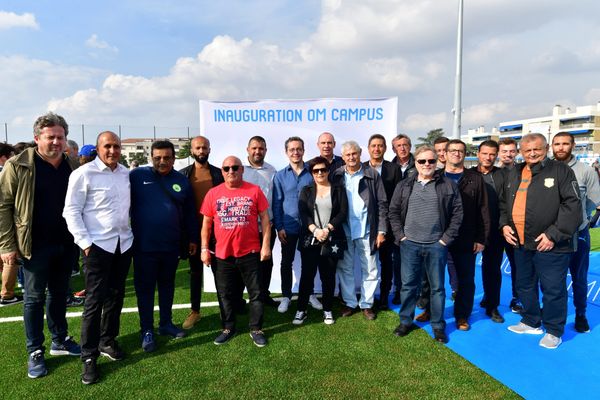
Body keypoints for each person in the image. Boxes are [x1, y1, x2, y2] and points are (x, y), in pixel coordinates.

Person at [0, 112, 81, 379]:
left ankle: (60, 339)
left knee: (59, 295)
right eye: (51, 137)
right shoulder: (18, 164)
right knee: (33, 299)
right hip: (33, 245)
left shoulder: (71, 163)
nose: (56, 142)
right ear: (37, 138)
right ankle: (35, 350)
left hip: (66, 244)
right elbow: (3, 206)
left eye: (61, 137)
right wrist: (7, 245)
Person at [63, 131, 133, 384]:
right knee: (94, 301)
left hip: (123, 245)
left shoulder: (126, 173)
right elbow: (71, 211)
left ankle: (107, 340)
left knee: (116, 296)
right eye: (107, 146)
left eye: (116, 146)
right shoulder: (82, 174)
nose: (112, 151)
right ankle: (88, 356)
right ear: (98, 148)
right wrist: (85, 243)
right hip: (97, 247)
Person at [500, 133, 581, 349]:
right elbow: (503, 203)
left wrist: (554, 234)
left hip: (551, 244)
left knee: (553, 288)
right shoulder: (514, 172)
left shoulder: (560, 170)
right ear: (521, 152)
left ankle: (554, 330)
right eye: (527, 150)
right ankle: (531, 320)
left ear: (546, 149)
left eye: (537, 149)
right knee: (524, 284)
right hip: (520, 242)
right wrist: (504, 225)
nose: (532, 153)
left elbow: (572, 205)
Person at [389, 145, 463, 343]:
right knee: (408, 286)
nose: (427, 164)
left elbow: (457, 214)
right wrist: (401, 237)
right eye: (422, 161)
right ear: (416, 163)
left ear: (437, 162)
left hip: (436, 245)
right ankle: (405, 321)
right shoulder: (404, 185)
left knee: (438, 288)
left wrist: (444, 240)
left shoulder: (448, 185)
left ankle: (438, 326)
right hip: (409, 244)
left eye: (431, 161)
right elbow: (393, 212)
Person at [130, 140, 198, 352]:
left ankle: (166, 324)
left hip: (171, 246)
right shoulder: (136, 176)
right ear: (151, 157)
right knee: (145, 290)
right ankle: (147, 330)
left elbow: (189, 213)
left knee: (167, 286)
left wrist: (192, 239)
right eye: (158, 157)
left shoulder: (181, 180)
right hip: (144, 246)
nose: (162, 161)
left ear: (174, 158)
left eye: (167, 157)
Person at [200, 156, 271, 347]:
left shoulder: (254, 191)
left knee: (256, 293)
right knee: (225, 294)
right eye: (226, 168)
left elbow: (265, 219)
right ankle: (228, 327)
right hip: (222, 255)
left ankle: (256, 328)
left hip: (250, 252)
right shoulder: (213, 194)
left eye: (235, 167)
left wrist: (266, 245)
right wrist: (204, 249)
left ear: (242, 170)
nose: (231, 171)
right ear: (222, 172)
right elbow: (206, 224)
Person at [331, 140, 388, 320]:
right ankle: (349, 302)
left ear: (360, 153)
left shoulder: (372, 174)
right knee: (345, 268)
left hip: (367, 229)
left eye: (354, 154)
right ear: (343, 157)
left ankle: (367, 304)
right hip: (344, 230)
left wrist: (381, 231)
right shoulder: (337, 175)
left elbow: (382, 204)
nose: (351, 157)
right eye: (347, 155)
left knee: (370, 269)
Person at [552, 132, 600, 333]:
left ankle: (580, 314)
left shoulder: (585, 171)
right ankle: (554, 313)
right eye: (557, 144)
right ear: (551, 146)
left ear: (572, 145)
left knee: (578, 278)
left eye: (565, 144)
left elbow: (593, 201)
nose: (561, 147)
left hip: (578, 235)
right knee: (553, 279)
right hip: (551, 235)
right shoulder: (545, 169)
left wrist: (582, 221)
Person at [293, 157, 348, 325]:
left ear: (328, 171)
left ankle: (328, 309)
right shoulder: (306, 190)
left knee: (328, 276)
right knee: (307, 276)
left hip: (330, 239)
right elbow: (303, 213)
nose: (319, 173)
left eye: (323, 170)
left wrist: (327, 228)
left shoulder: (338, 189)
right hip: (310, 239)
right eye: (316, 171)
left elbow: (342, 212)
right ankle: (301, 309)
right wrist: (315, 230)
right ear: (312, 173)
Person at [178, 136, 224, 329]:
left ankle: (226, 310)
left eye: (204, 147)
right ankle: (195, 311)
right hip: (194, 234)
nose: (201, 151)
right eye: (198, 148)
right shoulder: (183, 175)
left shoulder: (219, 174)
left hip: (219, 233)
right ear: (192, 150)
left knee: (221, 273)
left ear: (209, 149)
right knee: (196, 273)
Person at [443, 139, 490, 331]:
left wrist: (481, 238)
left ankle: (462, 315)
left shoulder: (475, 178)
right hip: (438, 238)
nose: (456, 153)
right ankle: (430, 310)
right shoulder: (436, 176)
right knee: (432, 280)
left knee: (466, 280)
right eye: (452, 150)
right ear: (445, 154)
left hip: (467, 238)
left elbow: (483, 210)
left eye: (460, 151)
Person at [273, 137, 319, 313]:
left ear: (303, 151)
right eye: (292, 149)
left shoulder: (312, 173)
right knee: (287, 262)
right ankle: (286, 296)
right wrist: (279, 227)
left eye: (299, 149)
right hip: (288, 227)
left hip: (310, 226)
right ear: (286, 152)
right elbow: (277, 203)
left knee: (309, 262)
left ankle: (310, 294)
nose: (295, 152)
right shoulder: (280, 175)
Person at [364, 134, 402, 309]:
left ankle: (385, 296)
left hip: (388, 223)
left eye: (380, 146)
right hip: (365, 224)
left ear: (385, 148)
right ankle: (367, 297)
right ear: (368, 148)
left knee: (387, 262)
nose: (377, 149)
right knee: (367, 262)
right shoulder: (361, 168)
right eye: (373, 146)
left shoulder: (393, 169)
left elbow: (398, 196)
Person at [472, 140, 506, 323]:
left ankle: (492, 306)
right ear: (478, 154)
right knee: (467, 271)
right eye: (485, 153)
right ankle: (464, 306)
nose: (488, 157)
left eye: (492, 154)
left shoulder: (502, 175)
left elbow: (506, 204)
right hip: (470, 231)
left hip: (494, 231)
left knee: (492, 269)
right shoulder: (468, 175)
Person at [243, 136, 278, 306]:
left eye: (261, 148)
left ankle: (264, 294)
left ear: (266, 150)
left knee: (266, 262)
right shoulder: (239, 170)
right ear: (248, 150)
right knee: (247, 264)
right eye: (254, 148)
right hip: (245, 228)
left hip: (267, 226)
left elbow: (276, 198)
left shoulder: (272, 171)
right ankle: (248, 296)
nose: (258, 151)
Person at [497, 137, 522, 313]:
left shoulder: (522, 173)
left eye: (511, 151)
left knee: (517, 266)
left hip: (514, 229)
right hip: (494, 228)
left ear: (517, 152)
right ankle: (490, 298)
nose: (508, 154)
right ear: (499, 153)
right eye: (504, 151)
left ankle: (517, 297)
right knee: (491, 266)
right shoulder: (492, 173)